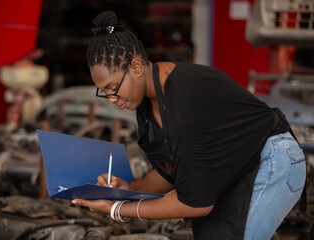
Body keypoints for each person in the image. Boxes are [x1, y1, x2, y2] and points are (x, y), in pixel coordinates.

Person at [71, 11, 307, 240]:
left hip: (272, 161)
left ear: (135, 67)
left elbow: (194, 204)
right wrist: (128, 188)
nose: (111, 99)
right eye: (104, 92)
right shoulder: (147, 101)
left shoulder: (182, 100)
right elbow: (169, 172)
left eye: (113, 88)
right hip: (238, 169)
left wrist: (118, 209)